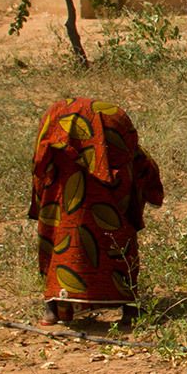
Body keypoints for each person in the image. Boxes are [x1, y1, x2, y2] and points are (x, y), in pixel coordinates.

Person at [30, 98, 164, 330]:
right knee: (119, 248)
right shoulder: (121, 160)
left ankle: (53, 309)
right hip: (110, 222)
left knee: (58, 244)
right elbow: (149, 182)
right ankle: (129, 308)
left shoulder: (53, 162)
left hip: (63, 219)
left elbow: (39, 182)